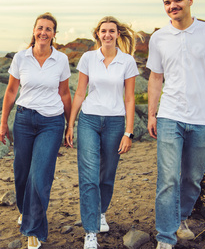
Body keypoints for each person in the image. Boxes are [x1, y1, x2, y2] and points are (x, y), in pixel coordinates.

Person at [147, 0, 205, 249]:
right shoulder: (159, 37)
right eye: (167, 2)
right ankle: (165, 237)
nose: (173, 6)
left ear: (190, 0)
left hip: (203, 117)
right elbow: (155, 78)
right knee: (168, 178)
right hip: (170, 115)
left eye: (178, 0)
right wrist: (151, 114)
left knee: (192, 178)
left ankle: (180, 218)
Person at [0, 12, 72, 249]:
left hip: (51, 122)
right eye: (40, 28)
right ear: (34, 31)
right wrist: (2, 122)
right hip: (23, 120)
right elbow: (11, 91)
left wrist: (70, 124)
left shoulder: (60, 60)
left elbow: (64, 93)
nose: (43, 32)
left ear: (54, 34)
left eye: (49, 29)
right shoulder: (21, 58)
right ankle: (26, 211)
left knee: (39, 175)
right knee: (22, 174)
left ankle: (33, 229)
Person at [65, 16, 138, 249]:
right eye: (103, 31)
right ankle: (90, 232)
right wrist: (71, 123)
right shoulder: (88, 58)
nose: (107, 35)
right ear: (97, 34)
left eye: (112, 31)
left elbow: (129, 98)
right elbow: (79, 93)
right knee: (88, 174)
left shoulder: (127, 61)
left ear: (118, 34)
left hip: (116, 123)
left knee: (107, 173)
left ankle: (101, 212)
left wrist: (129, 132)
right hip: (89, 120)